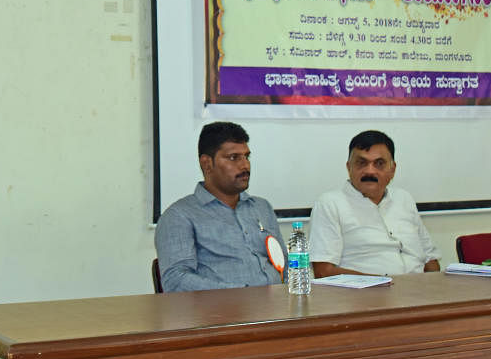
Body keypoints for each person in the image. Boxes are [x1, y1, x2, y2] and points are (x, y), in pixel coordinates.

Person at [154, 122, 285, 292]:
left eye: (247, 156)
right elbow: (176, 281)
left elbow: (286, 266)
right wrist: (241, 296)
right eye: (233, 157)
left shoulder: (262, 208)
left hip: (277, 310)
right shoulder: (179, 216)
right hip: (220, 315)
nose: (245, 165)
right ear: (207, 164)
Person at [308, 130, 440, 277]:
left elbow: (430, 259)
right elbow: (324, 272)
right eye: (361, 163)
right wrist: (384, 284)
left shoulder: (404, 198)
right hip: (364, 296)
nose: (370, 171)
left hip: (418, 292)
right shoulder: (330, 204)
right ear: (348, 167)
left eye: (379, 164)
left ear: (392, 169)